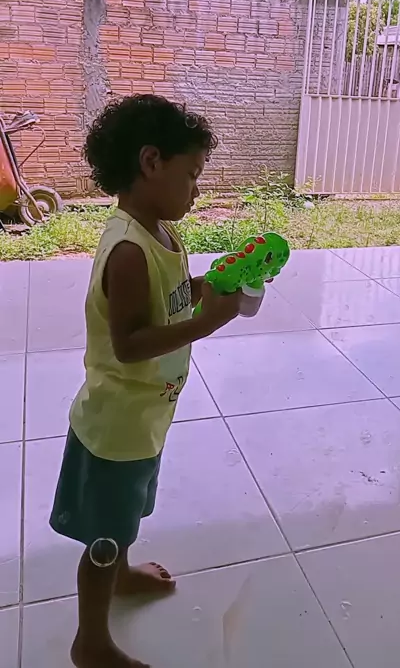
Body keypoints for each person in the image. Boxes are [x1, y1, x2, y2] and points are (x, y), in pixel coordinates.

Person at [50, 94, 242, 668]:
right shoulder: (129, 251)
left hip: (145, 415)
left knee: (123, 515)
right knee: (104, 537)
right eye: (192, 175)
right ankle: (90, 642)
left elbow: (168, 299)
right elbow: (130, 344)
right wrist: (207, 323)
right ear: (152, 161)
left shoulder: (160, 233)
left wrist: (205, 288)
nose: (197, 190)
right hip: (117, 426)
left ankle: (124, 575)